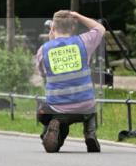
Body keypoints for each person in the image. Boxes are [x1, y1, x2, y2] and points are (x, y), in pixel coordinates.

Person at [35, 9, 105, 153]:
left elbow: (43, 74)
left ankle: (49, 134)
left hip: (57, 108)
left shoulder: (44, 50)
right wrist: (78, 16)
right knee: (92, 107)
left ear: (52, 28)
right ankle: (90, 133)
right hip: (85, 107)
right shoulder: (84, 42)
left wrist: (51, 43)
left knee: (47, 114)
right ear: (73, 27)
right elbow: (100, 28)